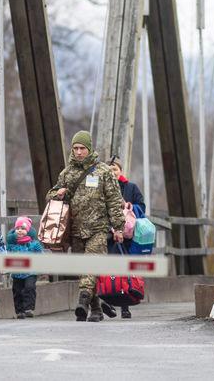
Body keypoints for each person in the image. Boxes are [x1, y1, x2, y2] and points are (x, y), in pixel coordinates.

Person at [47, 130, 125, 322]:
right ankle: (97, 309)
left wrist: (119, 227)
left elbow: (114, 200)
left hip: (98, 229)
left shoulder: (103, 171)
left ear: (89, 149)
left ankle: (82, 301)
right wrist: (58, 194)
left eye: (82, 148)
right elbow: (50, 194)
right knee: (85, 270)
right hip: (75, 230)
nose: (79, 152)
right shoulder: (67, 173)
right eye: (76, 148)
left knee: (91, 264)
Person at [104, 157, 146, 319]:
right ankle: (107, 303)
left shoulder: (131, 188)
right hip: (108, 235)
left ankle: (125, 306)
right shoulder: (102, 188)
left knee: (123, 271)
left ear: (121, 171)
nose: (113, 173)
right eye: (109, 170)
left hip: (126, 237)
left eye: (115, 169)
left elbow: (142, 207)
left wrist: (130, 206)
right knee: (108, 272)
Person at [6, 216, 43, 319]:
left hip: (30, 272)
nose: (20, 231)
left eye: (23, 229)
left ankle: (28, 308)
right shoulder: (12, 244)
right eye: (17, 229)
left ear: (28, 230)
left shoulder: (34, 244)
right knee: (17, 291)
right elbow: (7, 254)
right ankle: (19, 311)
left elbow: (41, 254)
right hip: (17, 272)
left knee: (29, 287)